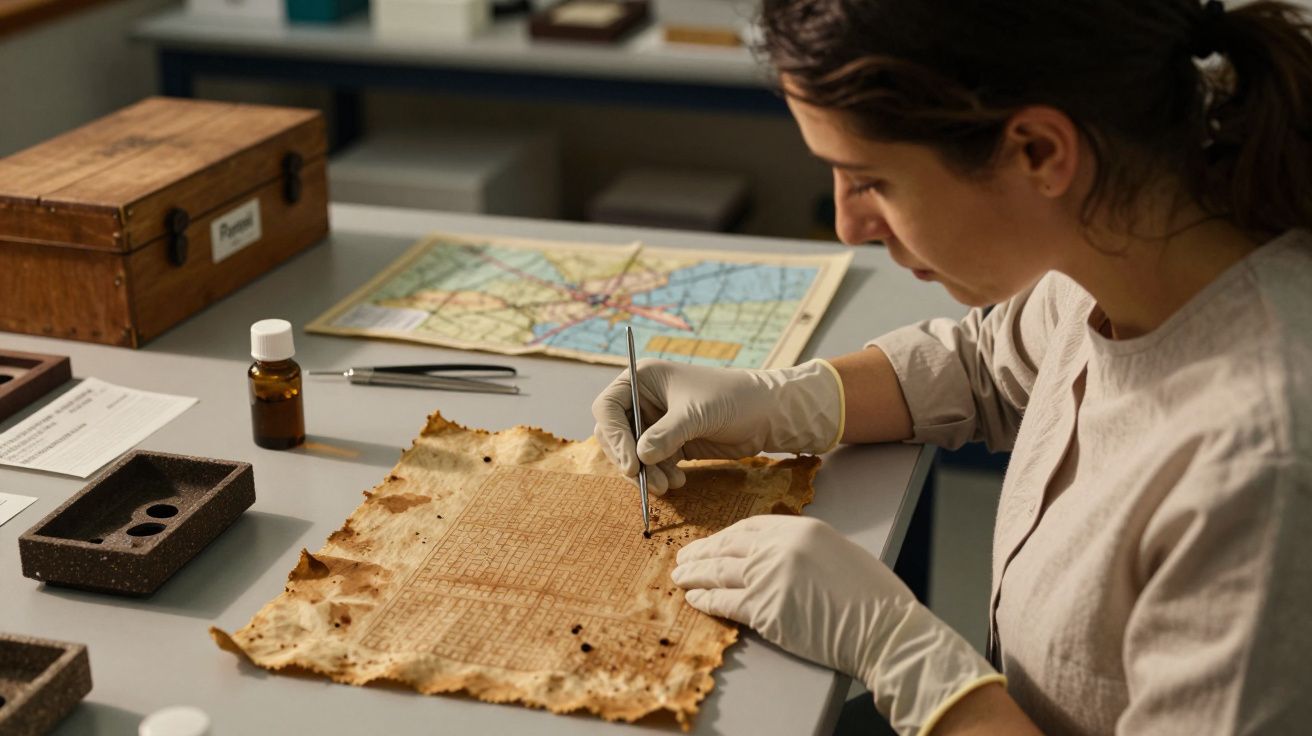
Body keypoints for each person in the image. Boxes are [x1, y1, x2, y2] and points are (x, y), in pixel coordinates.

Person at [591, 0, 1312, 733]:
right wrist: (777, 403)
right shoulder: (1123, 242)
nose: (849, 226)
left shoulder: (1260, 473)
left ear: (1037, 152)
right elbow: (985, 366)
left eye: (869, 180)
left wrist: (904, 657)